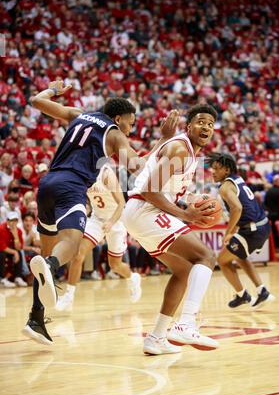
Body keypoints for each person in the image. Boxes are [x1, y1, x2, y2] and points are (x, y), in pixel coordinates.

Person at [22, 79, 178, 345]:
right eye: (131, 122)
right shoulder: (116, 134)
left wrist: (55, 90)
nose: (131, 128)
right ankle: (50, 266)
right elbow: (137, 168)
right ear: (118, 118)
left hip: (48, 183)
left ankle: (36, 318)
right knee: (70, 243)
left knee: (48, 255)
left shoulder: (79, 115)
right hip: (72, 186)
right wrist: (163, 140)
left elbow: (36, 101)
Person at [122, 104, 220, 355]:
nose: (206, 126)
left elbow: (167, 190)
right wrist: (186, 214)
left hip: (142, 212)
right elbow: (149, 189)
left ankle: (156, 337)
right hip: (145, 209)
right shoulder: (180, 149)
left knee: (184, 270)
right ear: (189, 127)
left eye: (210, 123)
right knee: (206, 257)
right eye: (200, 121)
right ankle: (186, 323)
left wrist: (192, 201)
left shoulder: (190, 155)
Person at [56, 162, 141, 311]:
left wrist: (111, 222)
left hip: (116, 220)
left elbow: (121, 204)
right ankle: (69, 296)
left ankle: (132, 278)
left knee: (115, 265)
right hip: (96, 219)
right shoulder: (81, 175)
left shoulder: (106, 174)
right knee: (78, 255)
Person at [209, 153, 275, 309]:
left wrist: (228, 232)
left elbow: (237, 208)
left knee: (222, 261)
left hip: (252, 230)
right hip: (261, 225)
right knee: (239, 256)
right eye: (212, 168)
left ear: (226, 170)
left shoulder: (225, 187)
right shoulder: (238, 179)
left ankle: (242, 295)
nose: (212, 172)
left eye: (216, 169)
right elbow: (246, 207)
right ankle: (262, 291)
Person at [0, 211, 28, 288]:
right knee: (2, 254)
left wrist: (15, 236)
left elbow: (19, 247)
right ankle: (2, 279)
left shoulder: (18, 231)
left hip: (10, 250)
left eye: (15, 220)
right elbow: (2, 247)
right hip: (2, 251)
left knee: (19, 252)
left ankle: (18, 277)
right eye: (11, 220)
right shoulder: (1, 229)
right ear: (7, 221)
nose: (13, 222)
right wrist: (15, 252)